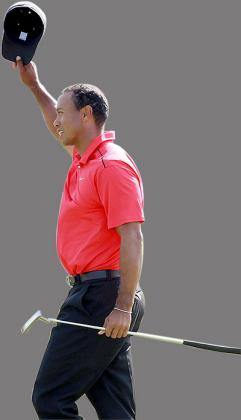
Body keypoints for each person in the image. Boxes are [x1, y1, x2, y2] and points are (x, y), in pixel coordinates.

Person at [12, 56, 146, 420]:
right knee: (116, 410)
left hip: (103, 298)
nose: (56, 119)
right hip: (99, 294)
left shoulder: (110, 166)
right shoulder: (85, 159)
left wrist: (121, 307)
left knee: (50, 397)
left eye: (62, 112)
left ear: (85, 115)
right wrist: (33, 86)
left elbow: (132, 237)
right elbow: (51, 122)